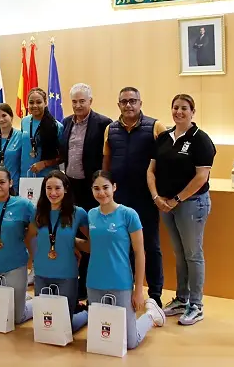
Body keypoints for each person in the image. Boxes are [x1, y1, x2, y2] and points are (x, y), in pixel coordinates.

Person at [147, 94, 216, 325]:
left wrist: (177, 199)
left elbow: (200, 177)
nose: (179, 112)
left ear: (192, 112)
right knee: (179, 253)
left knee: (193, 255)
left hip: (191, 204)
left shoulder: (200, 140)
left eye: (184, 108)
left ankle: (196, 305)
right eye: (175, 107)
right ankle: (181, 299)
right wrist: (156, 197)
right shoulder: (164, 137)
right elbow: (151, 170)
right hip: (166, 204)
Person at [103, 86, 167, 306]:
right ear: (118, 104)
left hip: (145, 197)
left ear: (140, 103)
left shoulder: (156, 127)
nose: (128, 105)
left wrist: (159, 193)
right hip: (120, 198)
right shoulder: (110, 129)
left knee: (151, 246)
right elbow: (106, 164)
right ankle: (127, 290)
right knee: (123, 245)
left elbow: (165, 162)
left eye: (132, 101)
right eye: (124, 101)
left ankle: (155, 295)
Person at [86, 170, 166, 349]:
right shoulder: (90, 214)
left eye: (106, 187)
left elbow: (139, 253)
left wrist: (138, 290)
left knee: (130, 342)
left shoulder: (128, 215)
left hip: (120, 282)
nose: (101, 193)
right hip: (94, 282)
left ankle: (151, 315)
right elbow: (92, 246)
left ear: (114, 187)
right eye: (96, 188)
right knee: (101, 337)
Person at [58, 83, 111, 299]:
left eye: (82, 101)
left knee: (93, 234)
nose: (78, 105)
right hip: (72, 187)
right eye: (74, 102)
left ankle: (92, 282)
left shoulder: (104, 123)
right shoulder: (66, 122)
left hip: (92, 189)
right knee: (75, 233)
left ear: (90, 101)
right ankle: (77, 282)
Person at [28, 171, 90, 332]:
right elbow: (31, 238)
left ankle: (86, 313)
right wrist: (35, 259)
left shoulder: (78, 213)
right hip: (41, 274)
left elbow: (92, 243)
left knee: (64, 327)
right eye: (49, 188)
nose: (53, 193)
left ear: (66, 189)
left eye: (57, 188)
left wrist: (73, 243)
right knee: (45, 325)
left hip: (66, 275)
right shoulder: (38, 212)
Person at [0, 166, 35, 325]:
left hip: (14, 265)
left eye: (2, 182)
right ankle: (21, 295)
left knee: (16, 318)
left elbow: (36, 225)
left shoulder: (23, 204)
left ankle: (34, 304)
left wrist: (26, 238)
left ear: (10, 183)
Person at [20, 88, 63, 180]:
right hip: (26, 174)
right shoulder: (24, 121)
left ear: (45, 103)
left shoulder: (56, 126)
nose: (35, 105)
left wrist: (44, 163)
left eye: (39, 102)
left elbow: (62, 157)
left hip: (48, 176)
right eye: (31, 102)